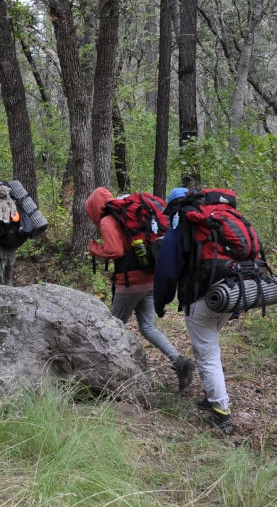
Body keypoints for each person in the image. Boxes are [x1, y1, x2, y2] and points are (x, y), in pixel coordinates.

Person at [86, 186, 195, 391]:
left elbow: (114, 250)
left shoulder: (107, 221)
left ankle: (108, 376)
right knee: (148, 327)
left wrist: (94, 248)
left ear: (93, 208)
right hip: (150, 278)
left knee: (114, 326)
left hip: (130, 283)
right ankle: (179, 362)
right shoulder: (128, 214)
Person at [154, 187, 234, 434]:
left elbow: (166, 271)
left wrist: (161, 302)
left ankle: (222, 416)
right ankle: (212, 398)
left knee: (208, 355)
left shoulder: (180, 231)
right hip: (229, 297)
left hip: (201, 299)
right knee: (210, 349)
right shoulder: (218, 225)